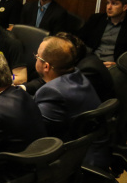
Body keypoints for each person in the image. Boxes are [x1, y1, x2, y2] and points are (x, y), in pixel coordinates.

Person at [33, 35, 108, 168]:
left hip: (75, 159)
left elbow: (35, 132)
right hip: (92, 147)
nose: (35, 58)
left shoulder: (52, 92)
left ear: (46, 66)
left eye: (37, 56)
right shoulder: (77, 76)